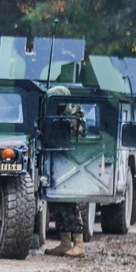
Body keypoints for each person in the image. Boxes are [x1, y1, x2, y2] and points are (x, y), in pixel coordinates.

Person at [43, 85, 87, 258]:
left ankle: (79, 244)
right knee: (55, 201)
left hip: (70, 162)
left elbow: (82, 133)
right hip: (53, 159)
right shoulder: (50, 112)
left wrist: (70, 120)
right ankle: (65, 242)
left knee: (69, 202)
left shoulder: (75, 114)